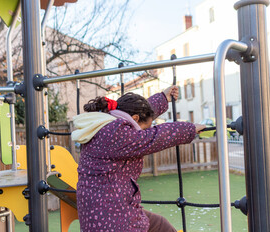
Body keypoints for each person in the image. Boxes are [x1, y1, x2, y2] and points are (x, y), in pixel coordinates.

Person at [72, 86, 205, 232]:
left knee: (160, 224)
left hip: (99, 212)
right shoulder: (118, 134)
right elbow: (154, 137)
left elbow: (139, 114)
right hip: (113, 219)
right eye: (145, 128)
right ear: (135, 119)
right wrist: (190, 129)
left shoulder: (104, 124)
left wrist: (162, 98)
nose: (145, 131)